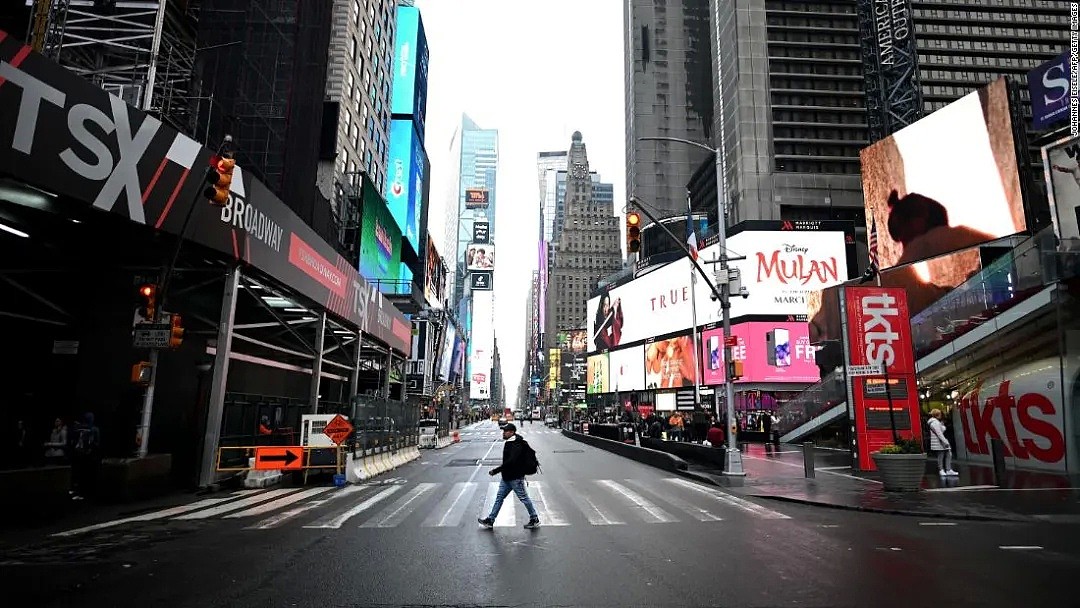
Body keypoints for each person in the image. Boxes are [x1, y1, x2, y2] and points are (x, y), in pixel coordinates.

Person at [478, 423, 540, 529]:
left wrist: (496, 470)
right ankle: (490, 520)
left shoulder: (516, 444)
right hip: (507, 477)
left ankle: (534, 518)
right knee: (499, 498)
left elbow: (511, 461)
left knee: (524, 498)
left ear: (511, 432)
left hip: (515, 477)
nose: (503, 433)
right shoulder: (510, 442)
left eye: (505, 431)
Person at [927, 409, 957, 477]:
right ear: (937, 415)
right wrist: (945, 442)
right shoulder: (935, 423)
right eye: (940, 414)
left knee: (947, 454)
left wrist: (942, 427)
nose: (941, 415)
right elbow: (939, 433)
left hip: (940, 441)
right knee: (942, 455)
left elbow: (941, 430)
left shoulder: (935, 422)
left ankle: (947, 469)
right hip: (940, 442)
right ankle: (942, 470)